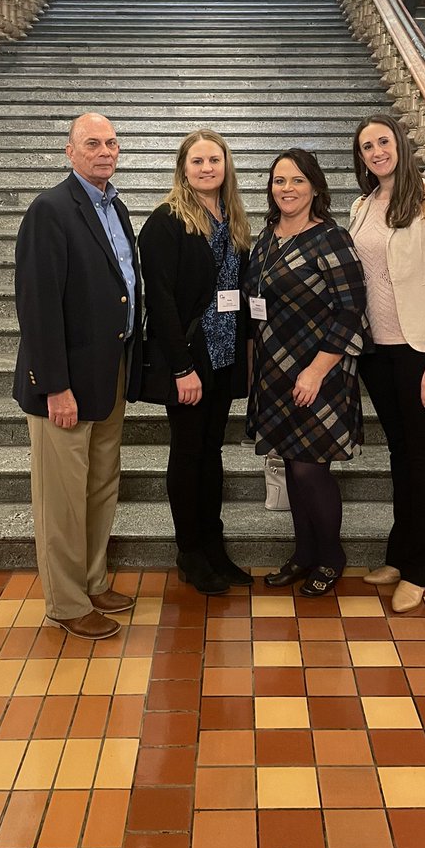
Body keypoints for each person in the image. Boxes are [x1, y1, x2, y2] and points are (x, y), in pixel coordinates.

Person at [13, 113, 142, 641]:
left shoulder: (116, 207)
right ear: (70, 152)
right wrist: (54, 386)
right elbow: (37, 305)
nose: (104, 151)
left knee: (99, 487)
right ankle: (66, 602)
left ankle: (92, 581)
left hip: (109, 374)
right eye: (92, 143)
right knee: (62, 499)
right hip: (64, 384)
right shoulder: (50, 210)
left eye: (112, 143)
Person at [349, 115, 425, 613]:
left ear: (399, 143)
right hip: (379, 351)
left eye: (383, 141)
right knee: (400, 452)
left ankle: (421, 569)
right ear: (360, 157)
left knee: (422, 455)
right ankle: (399, 556)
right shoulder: (361, 206)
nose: (377, 151)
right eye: (367, 146)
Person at [248, 148, 369, 597]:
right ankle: (303, 553)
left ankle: (331, 556)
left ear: (315, 187)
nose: (287, 189)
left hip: (320, 370)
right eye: (279, 181)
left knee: (308, 470)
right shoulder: (267, 238)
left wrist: (316, 371)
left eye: (297, 180)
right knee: (289, 462)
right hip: (275, 370)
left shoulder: (331, 238)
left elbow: (351, 310)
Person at [138, 131, 253, 595]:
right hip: (190, 359)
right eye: (198, 161)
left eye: (214, 160)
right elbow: (160, 302)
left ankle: (213, 546)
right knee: (188, 453)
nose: (207, 168)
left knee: (211, 451)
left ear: (226, 165)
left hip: (224, 357)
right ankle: (189, 552)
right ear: (183, 168)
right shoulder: (166, 222)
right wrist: (182, 369)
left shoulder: (233, 218)